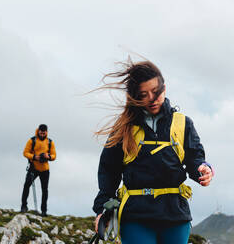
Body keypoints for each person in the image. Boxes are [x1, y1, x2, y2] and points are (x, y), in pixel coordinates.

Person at [92, 59, 214, 244]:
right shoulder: (124, 128)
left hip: (175, 215)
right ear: (135, 97)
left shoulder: (182, 123)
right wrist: (102, 208)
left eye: (156, 92)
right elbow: (109, 170)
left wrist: (203, 169)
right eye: (144, 94)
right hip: (136, 216)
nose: (152, 98)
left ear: (164, 89)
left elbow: (195, 158)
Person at [21, 124, 56, 216]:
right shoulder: (32, 140)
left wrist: (48, 156)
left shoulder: (50, 142)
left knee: (45, 190)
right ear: (38, 131)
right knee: (26, 186)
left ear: (46, 132)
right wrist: (34, 157)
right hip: (33, 168)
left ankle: (44, 211)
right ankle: (24, 206)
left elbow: (54, 156)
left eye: (44, 132)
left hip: (45, 169)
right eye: (41, 132)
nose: (42, 134)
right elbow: (25, 153)